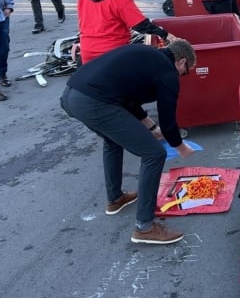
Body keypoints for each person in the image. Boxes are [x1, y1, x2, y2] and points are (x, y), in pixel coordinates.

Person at [60, 41, 197, 245]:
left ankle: (115, 199)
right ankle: (145, 227)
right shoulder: (168, 72)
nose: (182, 77)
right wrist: (180, 147)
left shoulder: (146, 54)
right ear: (181, 62)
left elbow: (127, 99)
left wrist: (151, 127)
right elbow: (168, 120)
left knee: (113, 141)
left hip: (71, 96)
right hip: (94, 101)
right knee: (154, 154)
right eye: (186, 72)